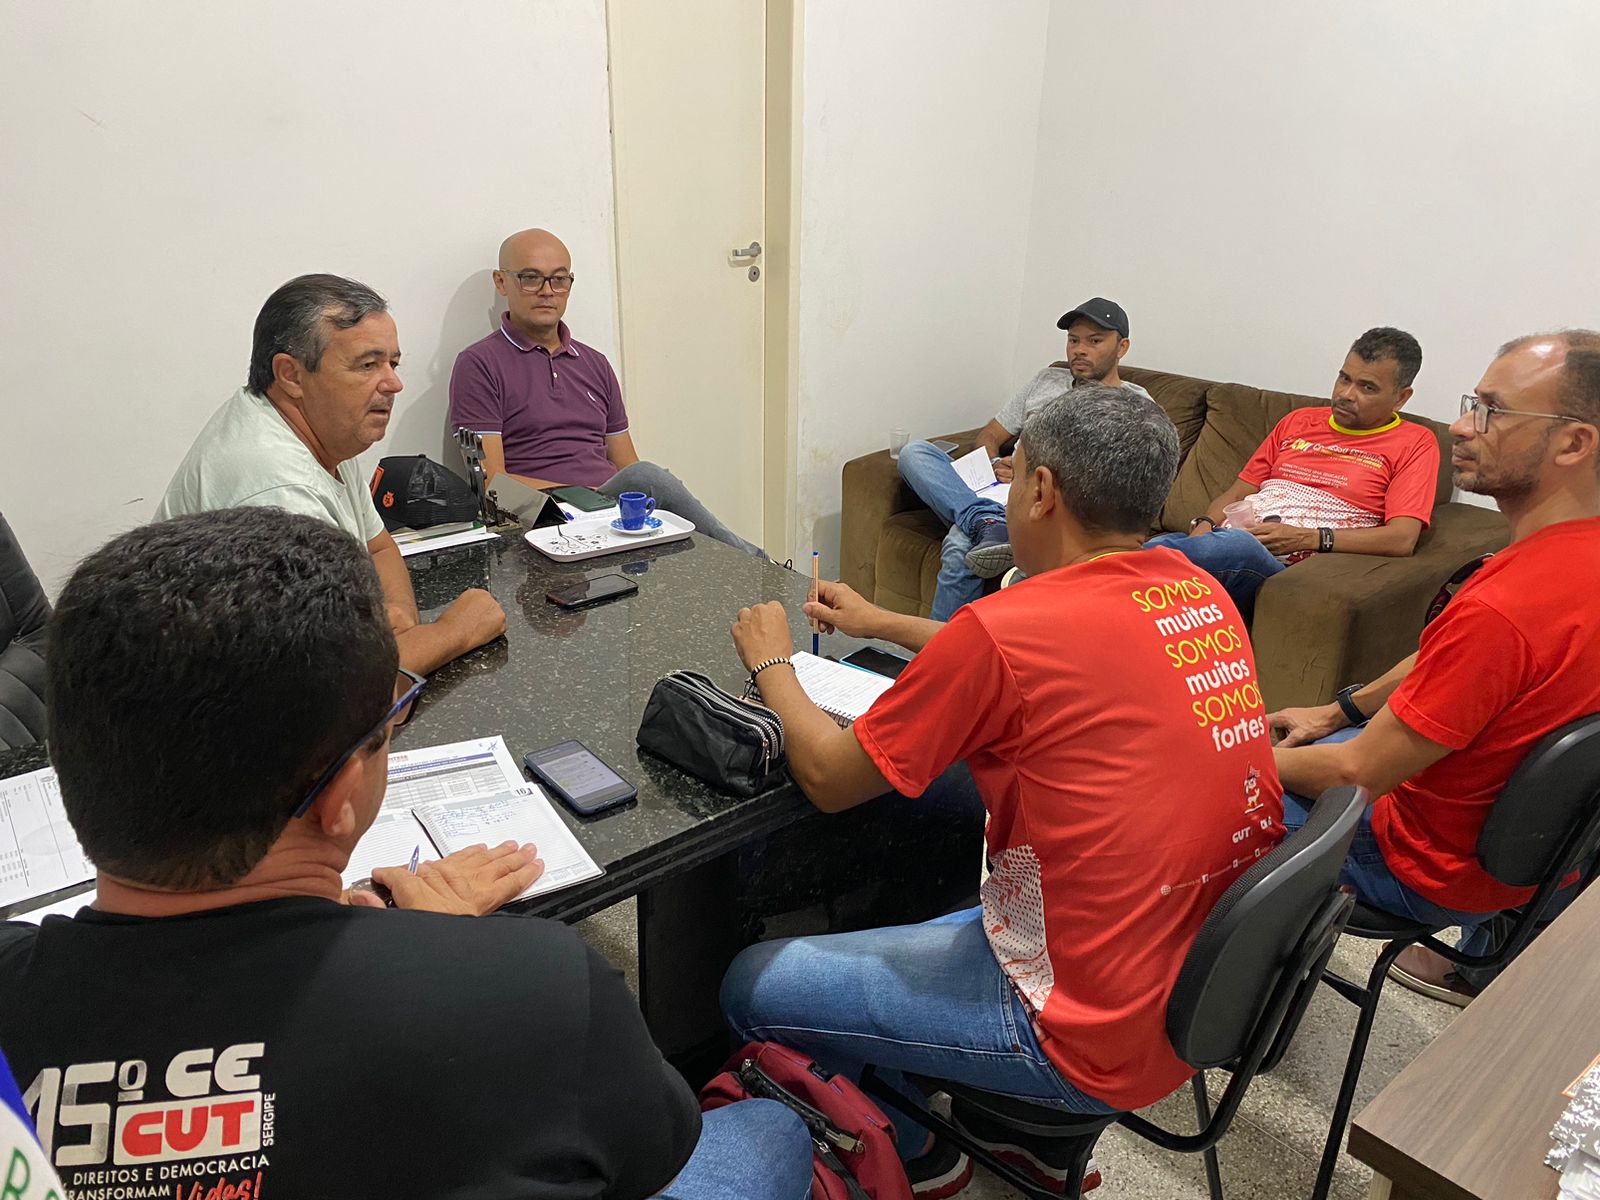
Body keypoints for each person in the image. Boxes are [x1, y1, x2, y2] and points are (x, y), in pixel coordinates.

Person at [0, 507, 813, 1200]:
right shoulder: (541, 988)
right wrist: (447, 964)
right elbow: (654, 1152)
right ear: (341, 795)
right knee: (771, 1131)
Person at [721, 386, 1284, 1197]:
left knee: (750, 983)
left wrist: (773, 663)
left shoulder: (1009, 628)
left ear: (1042, 490)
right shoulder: (1199, 592)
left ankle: (916, 1151)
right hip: (1194, 990)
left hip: (1078, 1027)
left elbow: (830, 777)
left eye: (1014, 476)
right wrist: (883, 622)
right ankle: (1007, 1132)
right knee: (913, 898)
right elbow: (1025, 657)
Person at [1271, 330, 1600, 1003]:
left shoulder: (1506, 606)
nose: (1461, 426)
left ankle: (1216, 1009)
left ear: (1573, 443)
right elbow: (1449, 656)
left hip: (1421, 867)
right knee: (1306, 740)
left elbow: (1355, 773)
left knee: (1193, 786)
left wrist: (1224, 756)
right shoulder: (1565, 564)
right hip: (1540, 864)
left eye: (1491, 410)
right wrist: (1335, 710)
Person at [157, 273, 507, 675]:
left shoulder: (325, 430)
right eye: (367, 365)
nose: (394, 383)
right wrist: (457, 630)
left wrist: (398, 617)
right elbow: (338, 685)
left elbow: (379, 548)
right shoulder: (275, 487)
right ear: (291, 375)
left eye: (392, 363)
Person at [449, 228, 764, 557]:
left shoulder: (594, 363)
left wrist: (615, 498)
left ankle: (747, 569)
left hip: (608, 508)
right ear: (501, 282)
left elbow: (626, 463)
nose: (547, 291)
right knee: (648, 477)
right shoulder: (479, 364)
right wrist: (582, 494)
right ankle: (759, 564)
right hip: (547, 513)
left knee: (655, 485)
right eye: (531, 278)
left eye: (559, 279)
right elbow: (492, 483)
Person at [1144, 327, 1438, 617]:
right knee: (1160, 545)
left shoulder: (1415, 442)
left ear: (1401, 397)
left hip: (1285, 565)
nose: (1346, 394)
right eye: (1344, 378)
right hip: (1228, 542)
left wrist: (1307, 538)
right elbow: (1238, 492)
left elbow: (1402, 539)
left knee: (1216, 549)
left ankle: (1128, 570)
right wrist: (1204, 527)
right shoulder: (1299, 421)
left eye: (1367, 388)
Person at [894, 297, 1153, 619]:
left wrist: (1025, 477)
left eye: (1094, 341)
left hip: (1044, 502)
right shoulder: (1047, 380)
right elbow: (990, 434)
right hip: (998, 488)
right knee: (914, 453)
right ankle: (983, 518)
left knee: (959, 545)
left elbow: (1115, 482)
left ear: (1122, 347)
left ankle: (940, 644)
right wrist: (991, 463)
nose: (1079, 350)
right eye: (1073, 340)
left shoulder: (1133, 405)